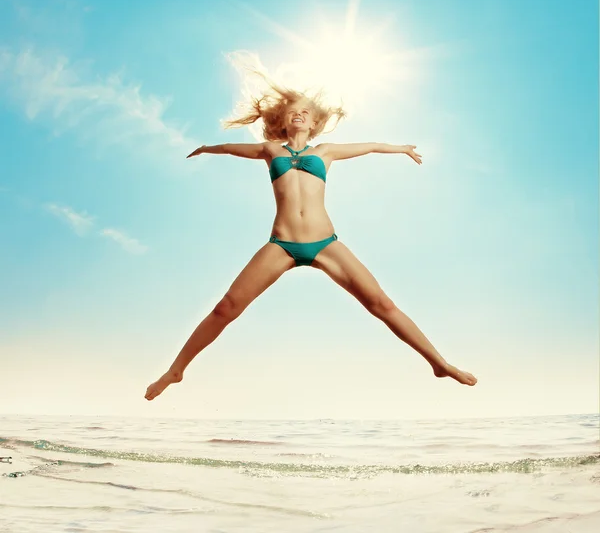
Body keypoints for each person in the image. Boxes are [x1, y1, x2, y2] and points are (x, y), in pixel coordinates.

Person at [145, 80, 477, 401]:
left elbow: (371, 146)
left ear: (315, 121)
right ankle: (176, 370)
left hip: (325, 243)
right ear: (282, 121)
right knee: (226, 307)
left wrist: (401, 148)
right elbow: (231, 148)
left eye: (305, 111)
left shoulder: (326, 151)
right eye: (292, 111)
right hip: (281, 245)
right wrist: (207, 148)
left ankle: (439, 363)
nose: (299, 114)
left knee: (382, 305)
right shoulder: (270, 150)